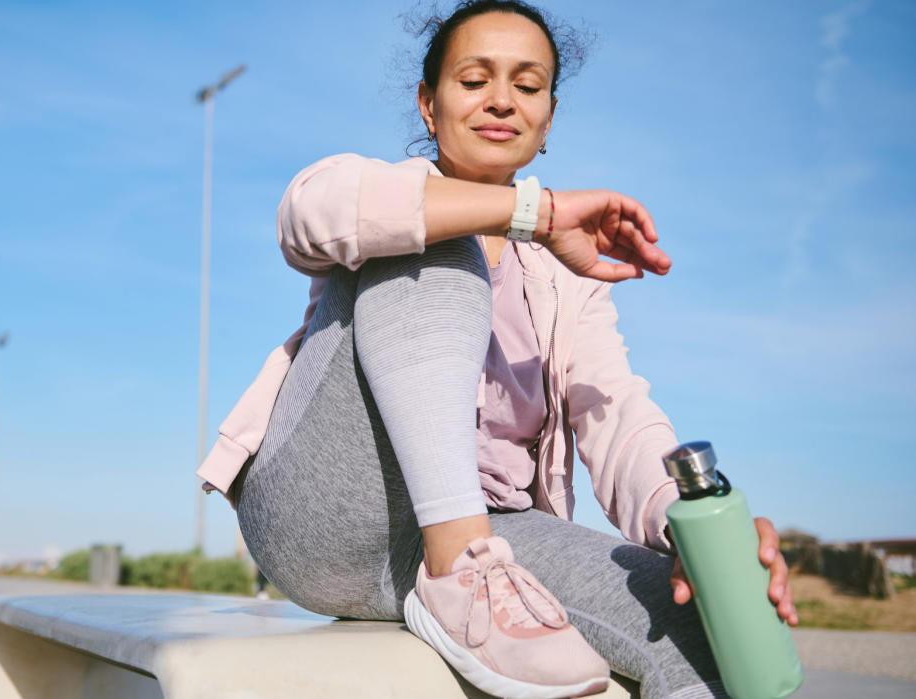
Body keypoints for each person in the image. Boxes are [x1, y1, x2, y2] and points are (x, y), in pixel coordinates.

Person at [196, 2, 797, 697]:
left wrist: (692, 532)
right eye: (474, 79)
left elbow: (618, 415)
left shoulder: (571, 285)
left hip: (505, 539)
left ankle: (472, 568)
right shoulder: (380, 194)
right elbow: (307, 213)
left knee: (707, 625)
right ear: (429, 105)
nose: (502, 101)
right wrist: (528, 214)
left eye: (528, 85)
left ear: (548, 118)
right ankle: (457, 568)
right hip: (331, 519)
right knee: (436, 227)